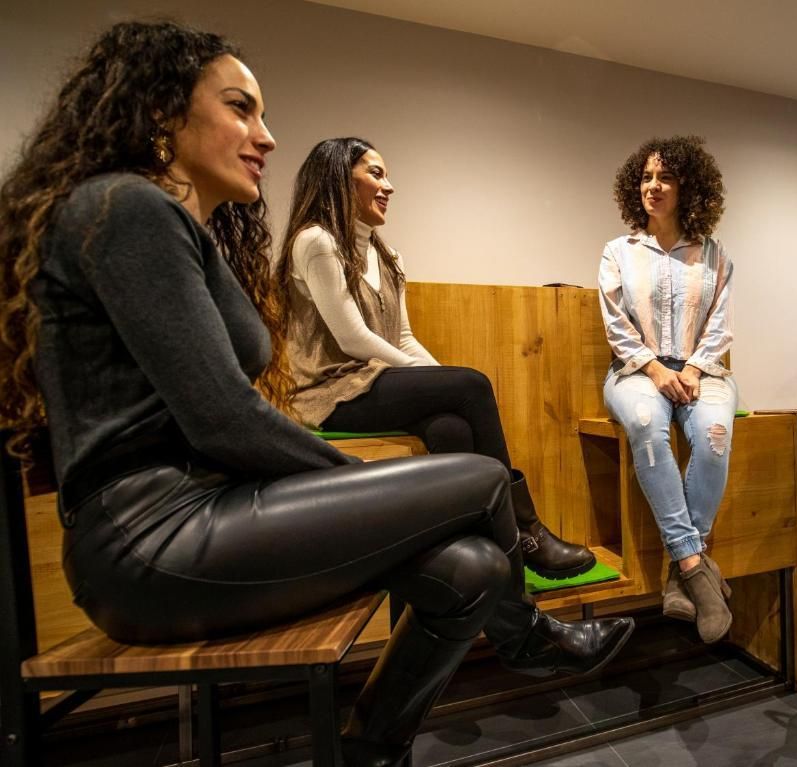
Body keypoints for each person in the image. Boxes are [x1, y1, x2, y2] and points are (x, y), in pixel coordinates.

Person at [0, 22, 632, 765]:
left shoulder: (179, 226)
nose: (265, 136)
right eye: (241, 108)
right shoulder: (124, 208)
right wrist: (371, 487)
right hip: (149, 540)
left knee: (475, 568)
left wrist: (389, 496)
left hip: (206, 510)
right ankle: (527, 637)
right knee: (480, 478)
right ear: (160, 113)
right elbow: (224, 418)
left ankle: (371, 748)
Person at [275, 136, 597, 580]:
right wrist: (451, 382)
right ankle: (526, 532)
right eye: (376, 173)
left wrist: (441, 379)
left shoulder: (388, 255)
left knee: (452, 426)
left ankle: (475, 556)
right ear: (339, 179)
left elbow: (403, 338)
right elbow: (352, 339)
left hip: (376, 382)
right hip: (330, 392)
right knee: (471, 384)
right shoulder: (317, 241)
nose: (389, 186)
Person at [599, 136, 738, 644]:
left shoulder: (716, 254)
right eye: (646, 178)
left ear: (689, 187)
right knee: (644, 425)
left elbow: (720, 325)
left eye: (666, 178)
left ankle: (684, 570)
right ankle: (697, 568)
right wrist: (657, 371)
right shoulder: (619, 251)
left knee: (717, 434)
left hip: (705, 371)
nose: (653, 187)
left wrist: (696, 370)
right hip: (635, 372)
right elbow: (616, 326)